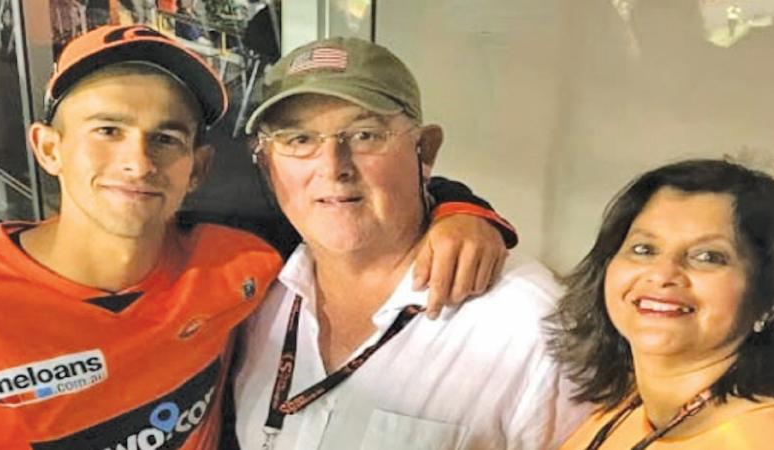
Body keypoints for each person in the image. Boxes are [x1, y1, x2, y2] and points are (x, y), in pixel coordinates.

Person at [0, 25, 516, 449]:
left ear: (197, 169)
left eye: (166, 138)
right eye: (107, 130)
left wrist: (460, 211)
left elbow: (357, 202)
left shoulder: (240, 254)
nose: (137, 162)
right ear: (48, 148)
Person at [234, 36, 588, 450]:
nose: (332, 167)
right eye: (298, 140)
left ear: (425, 150)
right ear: (265, 161)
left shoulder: (531, 326)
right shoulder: (250, 290)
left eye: (365, 134)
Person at [549, 159, 774, 449]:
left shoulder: (768, 438)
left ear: (769, 299)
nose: (663, 274)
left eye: (707, 257)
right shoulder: (627, 410)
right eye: (644, 249)